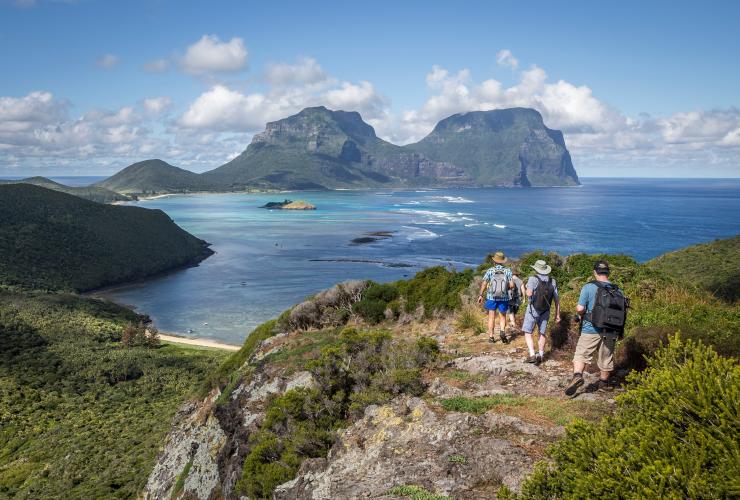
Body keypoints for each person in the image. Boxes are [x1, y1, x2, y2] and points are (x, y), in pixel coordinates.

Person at [565, 260, 626, 396]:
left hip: (590, 328)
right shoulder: (618, 290)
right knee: (606, 357)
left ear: (595, 272)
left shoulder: (589, 287)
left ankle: (577, 376)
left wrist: (579, 314)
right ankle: (604, 384)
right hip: (611, 329)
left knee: (581, 354)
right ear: (608, 272)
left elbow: (580, 308)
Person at [522, 259, 560, 365]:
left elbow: (529, 294)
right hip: (546, 310)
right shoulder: (553, 281)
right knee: (542, 333)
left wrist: (526, 289)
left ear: (536, 269)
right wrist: (558, 314)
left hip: (533, 310)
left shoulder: (533, 279)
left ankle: (532, 354)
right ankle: (541, 355)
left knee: (528, 332)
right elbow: (557, 299)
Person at [477, 251, 514, 344]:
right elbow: (512, 285)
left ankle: (491, 337)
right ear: (503, 261)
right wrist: (506, 288)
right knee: (502, 316)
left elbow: (484, 283)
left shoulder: (490, 270)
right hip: (504, 297)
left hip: (491, 297)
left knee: (491, 317)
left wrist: (481, 295)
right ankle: (502, 331)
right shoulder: (508, 271)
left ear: (494, 261)